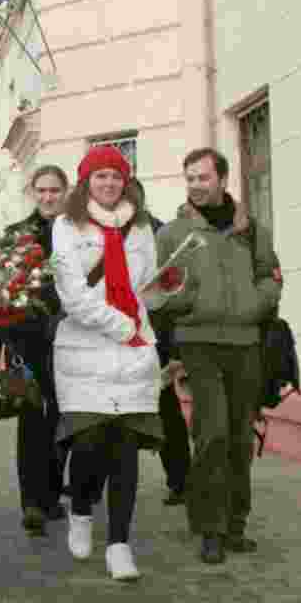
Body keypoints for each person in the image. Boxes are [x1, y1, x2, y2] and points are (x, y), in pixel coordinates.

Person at [152, 147, 281, 564]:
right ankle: (210, 527)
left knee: (241, 437)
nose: (195, 185)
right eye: (189, 178)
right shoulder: (172, 234)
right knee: (212, 434)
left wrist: (255, 306)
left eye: (203, 177)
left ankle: (236, 525)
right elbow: (157, 292)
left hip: (245, 343)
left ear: (223, 179)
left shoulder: (254, 230)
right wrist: (186, 305)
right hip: (198, 342)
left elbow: (271, 277)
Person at [52, 145, 163, 582]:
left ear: (126, 181)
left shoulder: (141, 228)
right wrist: (120, 324)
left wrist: (166, 289)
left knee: (125, 447)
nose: (109, 183)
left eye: (116, 176)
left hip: (134, 349)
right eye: (100, 176)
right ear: (86, 183)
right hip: (85, 349)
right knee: (89, 442)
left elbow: (148, 290)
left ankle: (119, 543)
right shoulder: (66, 225)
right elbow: (73, 295)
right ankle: (81, 508)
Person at [5, 165, 70, 536]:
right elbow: (6, 290)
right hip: (29, 338)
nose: (47, 197)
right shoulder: (20, 235)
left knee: (62, 419)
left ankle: (49, 494)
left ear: (65, 192)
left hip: (73, 338)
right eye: (41, 190)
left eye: (54, 190)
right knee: (33, 419)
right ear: (33, 192)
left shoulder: (78, 232)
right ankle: (32, 501)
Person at [133, 178, 192, 507]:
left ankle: (181, 479)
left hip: (157, 337)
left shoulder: (162, 235)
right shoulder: (107, 234)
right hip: (121, 337)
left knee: (166, 409)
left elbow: (174, 289)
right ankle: (99, 483)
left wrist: (172, 349)